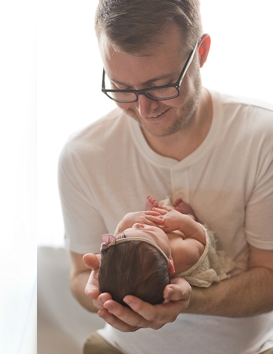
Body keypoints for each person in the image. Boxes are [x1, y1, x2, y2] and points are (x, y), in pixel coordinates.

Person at [58, 0, 273, 353]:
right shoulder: (82, 155)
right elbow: (79, 275)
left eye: (160, 85)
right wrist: (108, 299)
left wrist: (187, 300)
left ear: (201, 52)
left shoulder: (262, 137)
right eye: (121, 87)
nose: (144, 109)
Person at [98, 196, 233, 308]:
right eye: (148, 231)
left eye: (125, 234)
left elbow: (122, 243)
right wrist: (183, 222)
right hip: (190, 237)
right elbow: (202, 240)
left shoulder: (149, 254)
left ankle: (151, 217)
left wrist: (126, 221)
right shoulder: (184, 253)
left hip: (149, 249)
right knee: (188, 227)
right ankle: (189, 216)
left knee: (136, 240)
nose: (137, 225)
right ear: (170, 264)